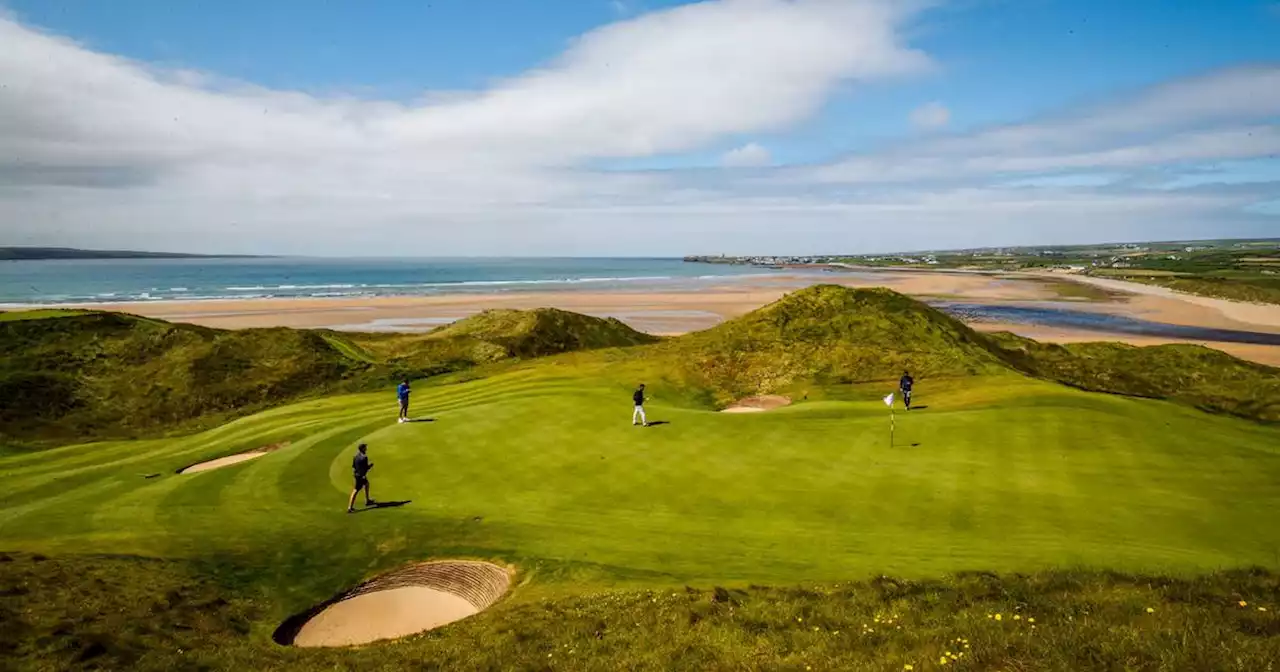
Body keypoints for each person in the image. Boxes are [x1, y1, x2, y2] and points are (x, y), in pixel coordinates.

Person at [347, 443, 375, 513]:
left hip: (357, 475)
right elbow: (365, 469)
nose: (366, 448)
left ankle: (367, 500)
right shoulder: (364, 457)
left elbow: (353, 467)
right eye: (365, 447)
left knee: (367, 484)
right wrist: (370, 466)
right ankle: (350, 507)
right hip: (361, 476)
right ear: (362, 449)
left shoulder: (355, 456)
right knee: (355, 490)